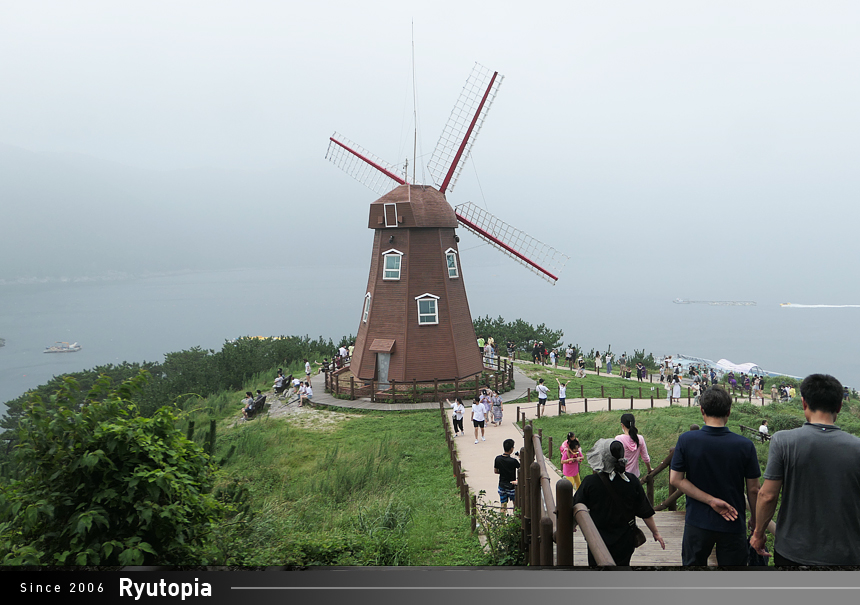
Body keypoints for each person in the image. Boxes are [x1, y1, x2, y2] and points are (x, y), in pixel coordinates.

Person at [751, 374, 860, 565]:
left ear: (804, 403)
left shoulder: (783, 441)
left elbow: (767, 496)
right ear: (839, 406)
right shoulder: (857, 447)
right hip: (846, 554)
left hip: (793, 551)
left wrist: (758, 534)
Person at [669, 386, 761, 566]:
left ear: (702, 410)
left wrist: (711, 500)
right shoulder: (745, 445)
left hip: (697, 522)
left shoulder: (686, 440)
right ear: (729, 412)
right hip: (733, 522)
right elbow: (754, 489)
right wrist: (756, 521)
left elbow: (676, 479)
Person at [573, 439, 666, 566]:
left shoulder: (590, 482)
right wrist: (656, 532)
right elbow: (645, 511)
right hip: (624, 540)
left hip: (597, 540)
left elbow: (576, 505)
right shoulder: (631, 481)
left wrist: (572, 524)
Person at [616, 413, 652, 479]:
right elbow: (645, 458)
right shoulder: (640, 438)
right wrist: (649, 469)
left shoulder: (619, 439)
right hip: (634, 475)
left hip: (621, 475)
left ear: (622, 425)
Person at [494, 438, 520, 513]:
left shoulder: (498, 459)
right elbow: (521, 469)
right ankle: (515, 518)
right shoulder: (513, 461)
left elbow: (496, 471)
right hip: (512, 486)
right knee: (515, 505)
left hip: (502, 485)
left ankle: (502, 519)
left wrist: (503, 471)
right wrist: (520, 457)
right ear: (511, 449)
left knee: (503, 505)